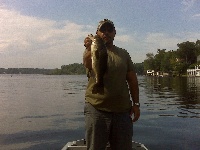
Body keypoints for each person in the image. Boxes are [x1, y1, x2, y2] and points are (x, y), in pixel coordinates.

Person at [83, 19, 140, 150]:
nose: (106, 33)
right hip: (96, 110)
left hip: (122, 112)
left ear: (115, 33)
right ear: (97, 33)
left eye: (110, 30)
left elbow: (132, 80)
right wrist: (88, 48)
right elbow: (87, 63)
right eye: (103, 30)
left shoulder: (124, 54)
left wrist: (136, 104)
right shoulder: (91, 50)